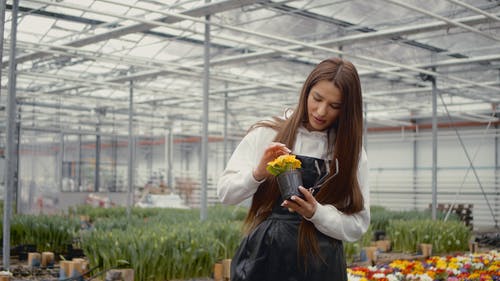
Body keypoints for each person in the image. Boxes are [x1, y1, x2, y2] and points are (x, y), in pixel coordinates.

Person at [217, 57, 370, 281]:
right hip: (266, 259)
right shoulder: (267, 134)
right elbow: (226, 193)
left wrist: (316, 213)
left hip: (321, 265)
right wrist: (258, 173)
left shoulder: (349, 153)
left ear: (346, 109)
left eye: (334, 106)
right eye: (316, 98)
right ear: (306, 91)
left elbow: (358, 224)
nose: (321, 111)